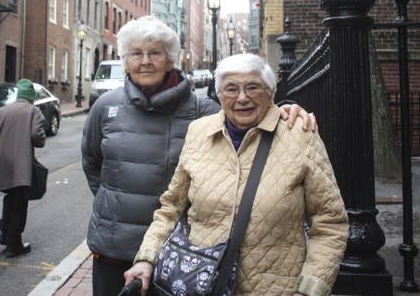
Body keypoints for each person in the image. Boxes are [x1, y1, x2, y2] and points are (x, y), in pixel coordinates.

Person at [81, 16, 317, 295]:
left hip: (181, 249)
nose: (145, 61)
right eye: (136, 53)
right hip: (114, 244)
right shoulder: (105, 107)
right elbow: (92, 163)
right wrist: (116, 204)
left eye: (154, 52)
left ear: (170, 58)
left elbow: (248, 118)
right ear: (125, 61)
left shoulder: (202, 110)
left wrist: (288, 109)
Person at [124, 53, 348, 296]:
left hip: (274, 289)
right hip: (201, 283)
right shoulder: (199, 132)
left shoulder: (300, 134)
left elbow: (330, 222)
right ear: (219, 95)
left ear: (271, 91)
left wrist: (309, 289)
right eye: (231, 89)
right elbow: (170, 208)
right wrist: (146, 258)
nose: (242, 98)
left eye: (253, 87)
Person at [0, 79, 46, 258]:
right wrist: (39, 138)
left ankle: (4, 233)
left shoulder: (1, 111)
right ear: (31, 98)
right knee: (19, 203)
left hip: (2, 164)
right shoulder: (34, 112)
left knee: (10, 197)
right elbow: (37, 137)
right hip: (22, 165)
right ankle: (14, 244)